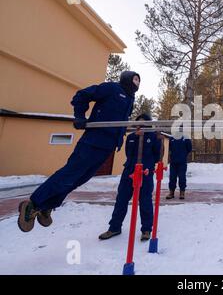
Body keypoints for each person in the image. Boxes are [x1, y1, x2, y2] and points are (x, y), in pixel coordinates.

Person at [18, 71, 141, 233]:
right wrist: (80, 116)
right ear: (126, 78)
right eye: (135, 79)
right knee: (70, 174)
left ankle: (47, 206)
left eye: (139, 81)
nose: (137, 83)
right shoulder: (112, 88)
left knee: (79, 179)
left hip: (107, 147)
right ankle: (33, 204)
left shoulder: (130, 99)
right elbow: (82, 95)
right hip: (93, 142)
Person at [99, 113, 161, 241]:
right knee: (121, 199)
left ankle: (146, 229)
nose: (141, 125)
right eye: (139, 123)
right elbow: (129, 153)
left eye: (144, 123)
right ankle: (114, 227)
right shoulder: (132, 137)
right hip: (129, 171)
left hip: (145, 172)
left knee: (145, 201)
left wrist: (148, 164)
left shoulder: (154, 137)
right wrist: (138, 139)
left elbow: (156, 155)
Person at [166, 136, 192, 200]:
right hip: (173, 162)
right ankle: (171, 192)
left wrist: (183, 154)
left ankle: (182, 192)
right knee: (172, 177)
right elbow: (168, 148)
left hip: (182, 162)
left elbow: (189, 149)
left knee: (182, 177)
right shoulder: (171, 138)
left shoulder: (186, 138)